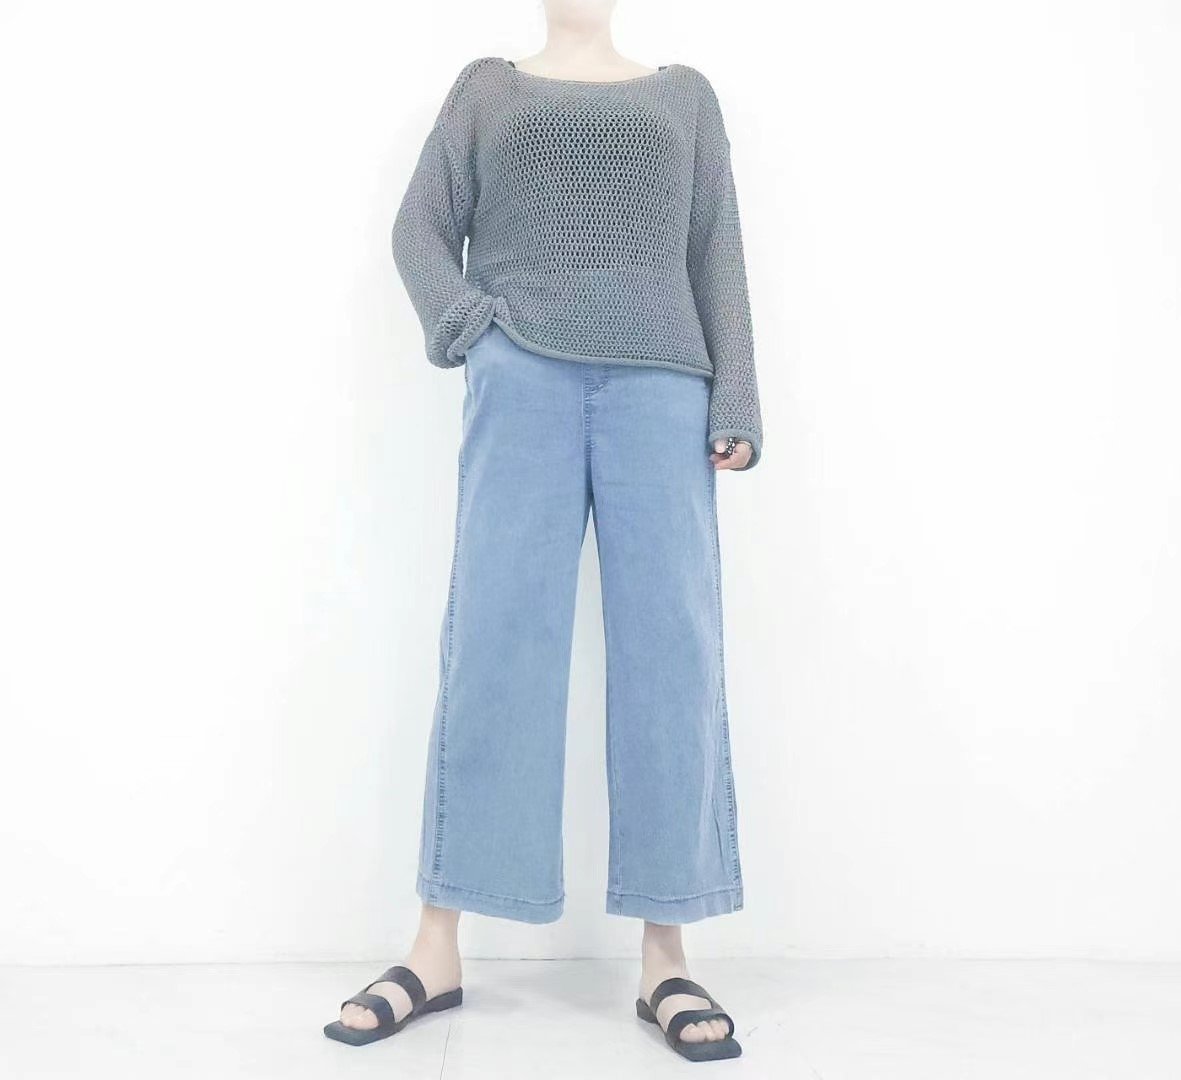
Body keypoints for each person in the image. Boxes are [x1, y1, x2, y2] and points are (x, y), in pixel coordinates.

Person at [323, 3, 763, 1064]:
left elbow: (716, 249)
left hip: (663, 388)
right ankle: (436, 947)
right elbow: (419, 229)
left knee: (671, 658)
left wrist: (737, 399)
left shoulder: (683, 97)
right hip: (519, 377)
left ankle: (666, 958)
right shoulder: (488, 87)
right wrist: (471, 331)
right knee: (494, 648)